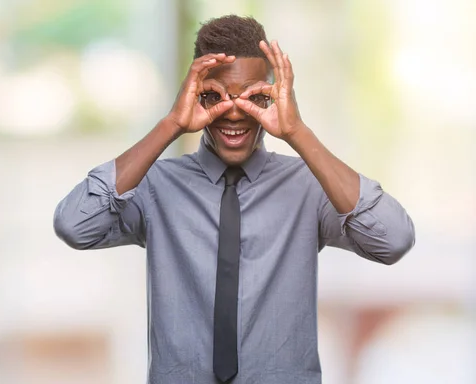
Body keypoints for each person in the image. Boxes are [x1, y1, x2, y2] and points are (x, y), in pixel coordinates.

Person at [53, 14, 415, 384]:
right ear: (194, 94)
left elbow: (393, 240)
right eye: (215, 96)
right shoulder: (154, 186)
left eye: (255, 97)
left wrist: (297, 131)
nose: (236, 112)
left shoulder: (310, 186)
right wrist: (170, 125)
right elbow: (75, 225)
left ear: (274, 95)